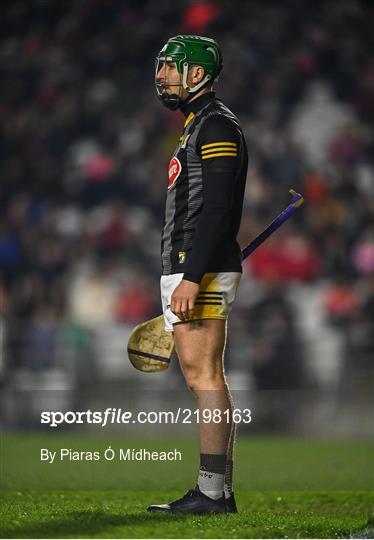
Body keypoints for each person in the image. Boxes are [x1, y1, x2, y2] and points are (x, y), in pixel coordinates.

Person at [147, 35, 248, 514]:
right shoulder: (197, 126)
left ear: (198, 74)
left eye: (172, 67)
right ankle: (217, 492)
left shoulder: (216, 127)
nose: (163, 74)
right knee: (203, 375)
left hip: (198, 269)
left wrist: (192, 274)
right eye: (163, 66)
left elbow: (218, 209)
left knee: (204, 375)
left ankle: (211, 493)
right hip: (193, 266)